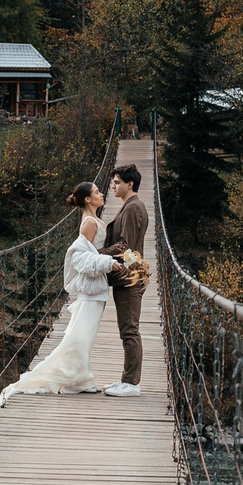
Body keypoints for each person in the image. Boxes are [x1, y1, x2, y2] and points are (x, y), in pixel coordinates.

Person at [0, 182, 113, 404]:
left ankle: (81, 377)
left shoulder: (92, 220)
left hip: (96, 287)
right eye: (97, 192)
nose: (101, 194)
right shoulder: (89, 223)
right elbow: (83, 258)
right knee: (79, 335)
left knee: (82, 334)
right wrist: (109, 261)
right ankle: (78, 379)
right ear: (88, 199)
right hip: (91, 289)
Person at [98, 164, 151, 398]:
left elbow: (125, 246)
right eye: (113, 182)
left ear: (130, 184)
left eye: (117, 182)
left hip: (130, 279)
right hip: (128, 277)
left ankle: (131, 383)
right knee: (127, 329)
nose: (113, 186)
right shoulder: (131, 206)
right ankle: (127, 379)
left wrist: (96, 254)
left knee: (129, 330)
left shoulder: (132, 208)